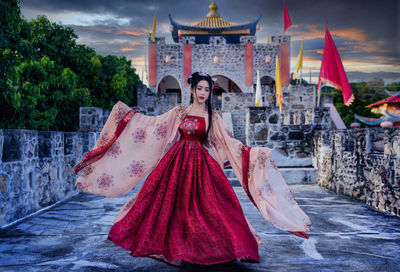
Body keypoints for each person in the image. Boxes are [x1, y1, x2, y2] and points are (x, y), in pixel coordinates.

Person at [74, 71, 312, 267]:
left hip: (201, 164)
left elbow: (228, 142)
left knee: (214, 207)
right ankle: (174, 252)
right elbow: (154, 125)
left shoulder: (213, 116)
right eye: (199, 89)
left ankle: (227, 246)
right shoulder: (180, 112)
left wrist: (254, 153)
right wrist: (129, 117)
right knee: (168, 206)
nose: (203, 93)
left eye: (207, 90)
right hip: (176, 162)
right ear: (192, 90)